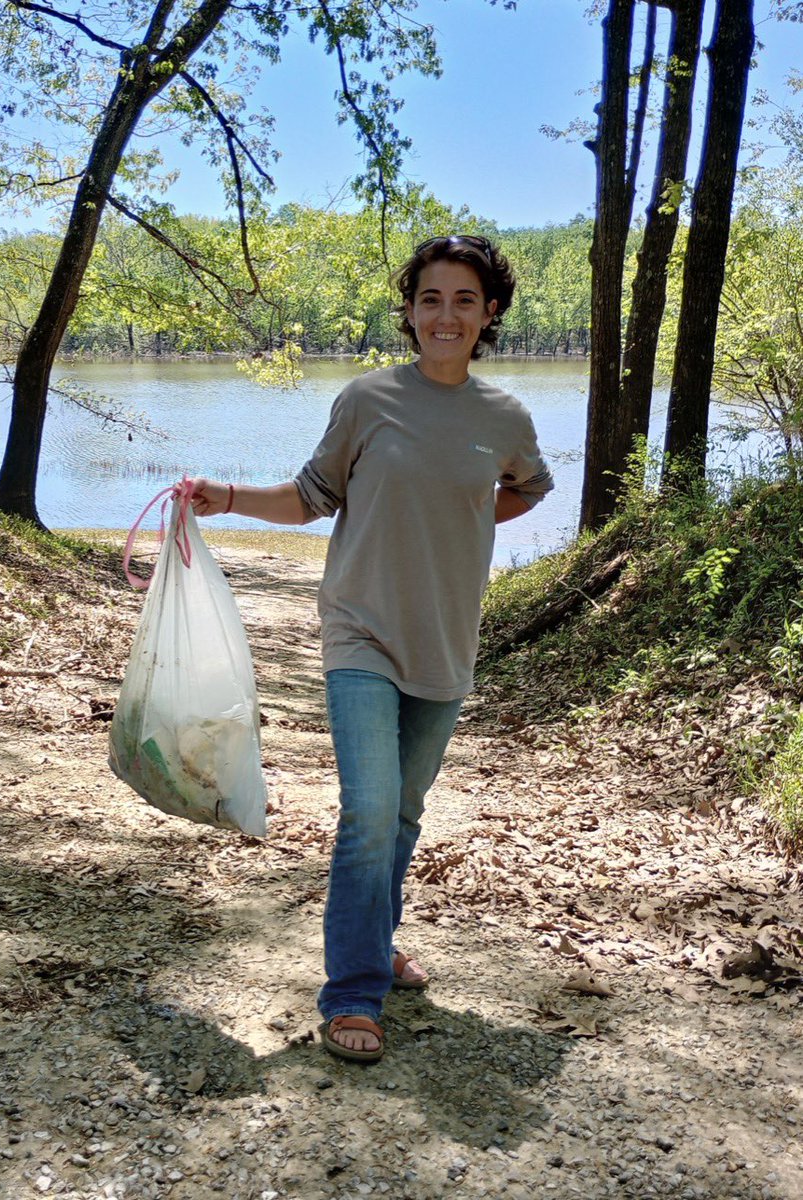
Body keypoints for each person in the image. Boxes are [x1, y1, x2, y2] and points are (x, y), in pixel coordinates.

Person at [189, 234, 553, 1063]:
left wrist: (455, 520)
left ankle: (375, 937)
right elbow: (313, 495)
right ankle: (354, 993)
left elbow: (529, 488)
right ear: (411, 311)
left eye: (464, 300)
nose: (446, 315)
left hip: (445, 638)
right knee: (366, 809)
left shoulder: (504, 418)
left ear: (488, 312)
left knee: (403, 811)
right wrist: (227, 496)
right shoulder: (367, 399)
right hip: (359, 629)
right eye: (430, 299)